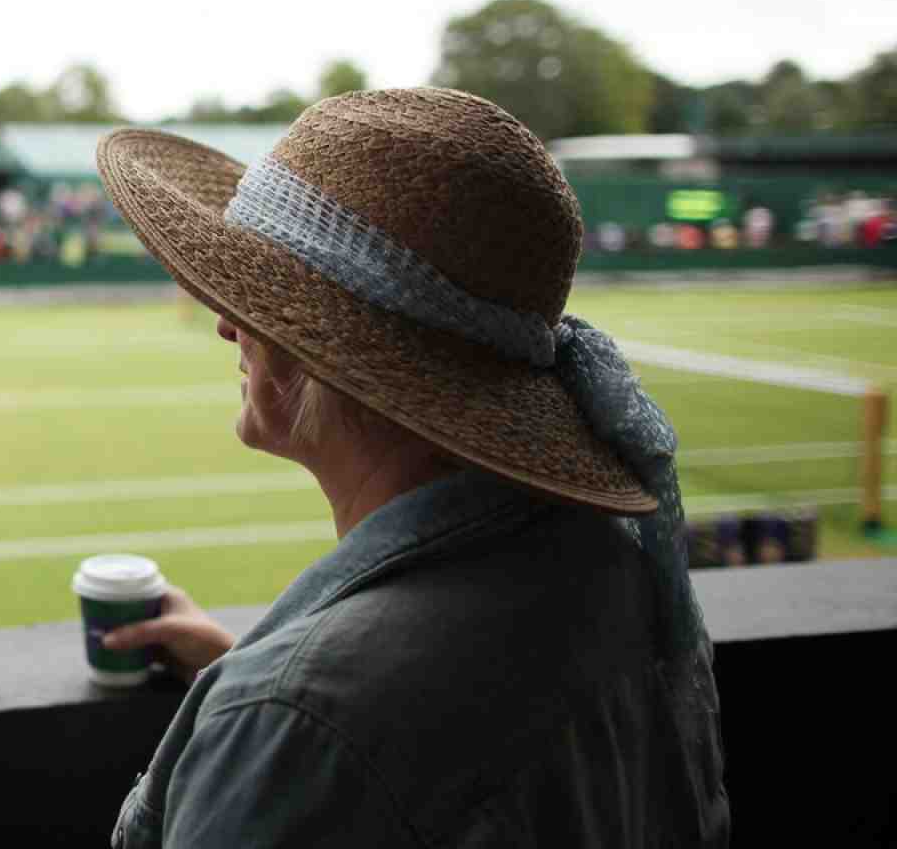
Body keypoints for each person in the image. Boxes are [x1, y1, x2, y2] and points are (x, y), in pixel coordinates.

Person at [92, 88, 729, 847]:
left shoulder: (296, 721)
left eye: (253, 302)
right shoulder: (606, 570)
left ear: (331, 355)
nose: (229, 325)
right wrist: (249, 673)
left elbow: (360, 743)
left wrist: (270, 710)